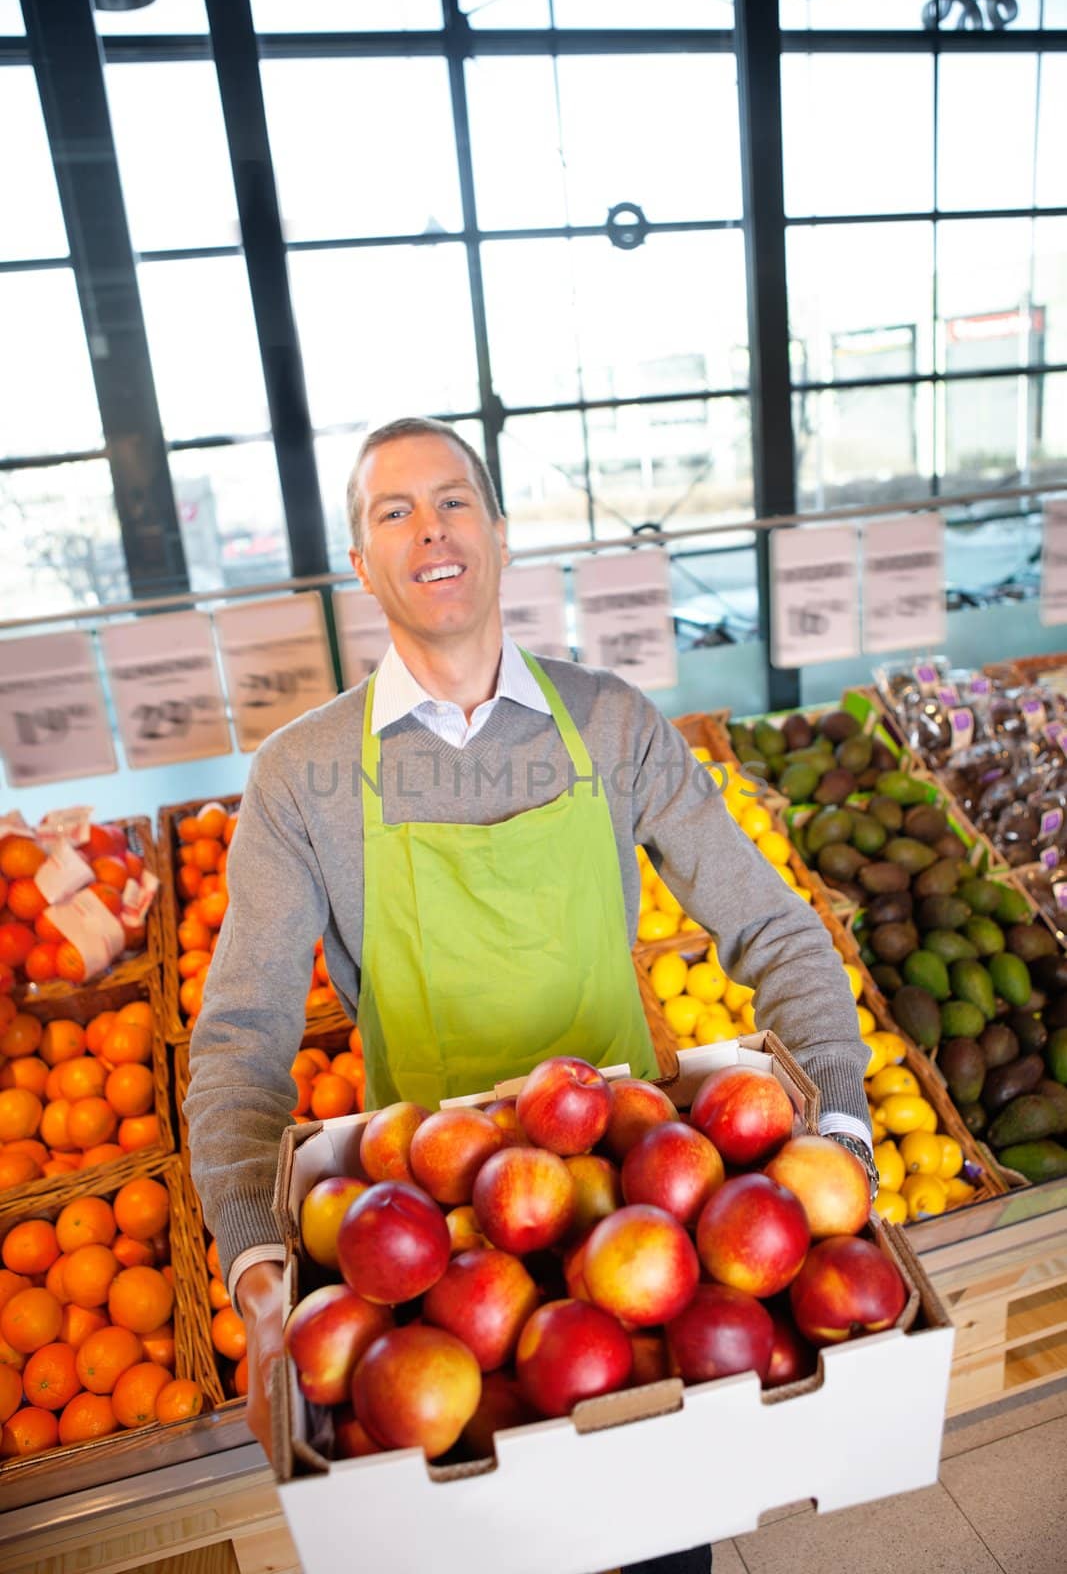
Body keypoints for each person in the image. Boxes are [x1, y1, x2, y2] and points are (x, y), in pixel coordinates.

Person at [186, 417, 875, 1574]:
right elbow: (242, 1040)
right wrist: (261, 1269)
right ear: (359, 563)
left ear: (500, 535)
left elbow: (773, 927)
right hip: (428, 1249)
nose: (430, 529)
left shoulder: (608, 722)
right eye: (391, 511)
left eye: (453, 500)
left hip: (638, 1213)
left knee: (658, 1548)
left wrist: (843, 1130)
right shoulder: (300, 775)